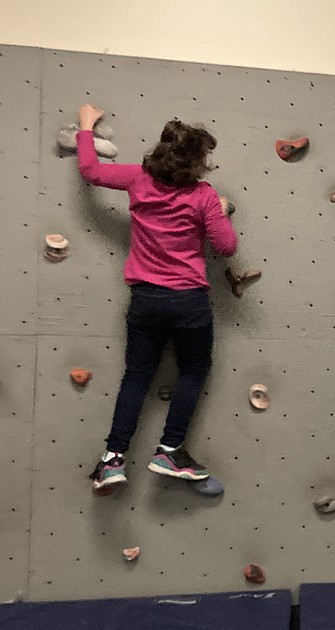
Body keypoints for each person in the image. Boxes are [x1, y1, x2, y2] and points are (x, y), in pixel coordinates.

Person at [76, 104, 237, 491]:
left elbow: (91, 171)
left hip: (146, 299)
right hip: (188, 302)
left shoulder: (138, 178)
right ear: (196, 162)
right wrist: (223, 212)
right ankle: (169, 450)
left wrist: (85, 127)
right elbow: (226, 247)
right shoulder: (203, 196)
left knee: (136, 377)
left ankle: (113, 460)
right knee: (194, 370)